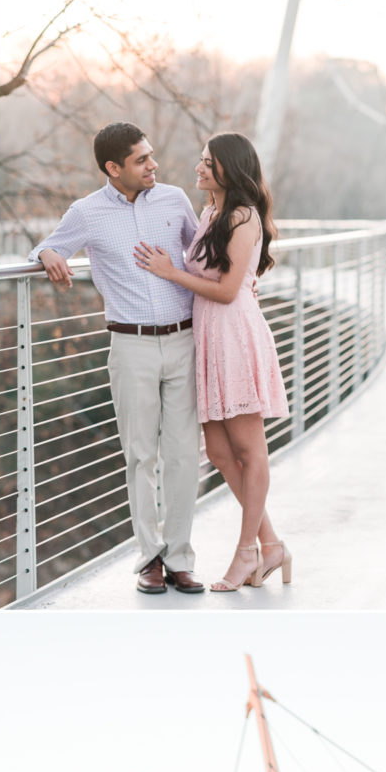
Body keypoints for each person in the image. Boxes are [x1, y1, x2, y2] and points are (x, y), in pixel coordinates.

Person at [30, 123, 204, 595]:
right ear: (114, 168)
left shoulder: (174, 200)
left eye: (151, 156)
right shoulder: (86, 213)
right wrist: (47, 254)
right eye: (142, 160)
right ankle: (150, 559)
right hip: (130, 347)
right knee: (140, 456)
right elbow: (49, 244)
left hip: (185, 339)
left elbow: (203, 254)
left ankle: (181, 558)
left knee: (185, 454)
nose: (153, 165)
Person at [135, 132, 290, 592]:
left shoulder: (243, 217)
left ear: (228, 168)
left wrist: (171, 272)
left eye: (207, 162)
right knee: (221, 454)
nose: (198, 167)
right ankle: (272, 544)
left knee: (248, 450)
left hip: (235, 336)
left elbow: (225, 290)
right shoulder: (209, 212)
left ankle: (248, 554)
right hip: (207, 339)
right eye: (201, 160)